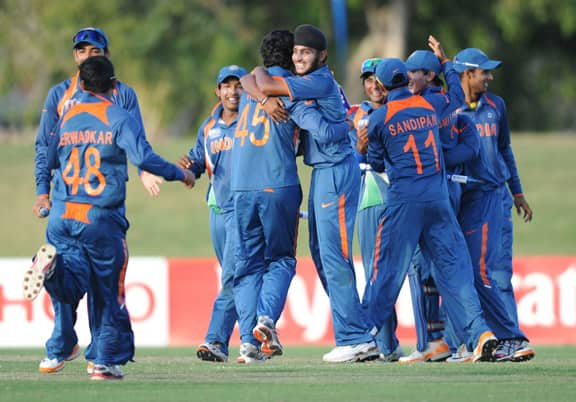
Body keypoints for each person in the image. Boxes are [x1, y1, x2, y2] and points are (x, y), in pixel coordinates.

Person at [23, 56, 196, 380]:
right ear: (114, 85)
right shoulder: (119, 116)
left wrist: (43, 192)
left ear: (82, 84)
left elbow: (46, 155)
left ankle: (52, 268)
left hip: (62, 215)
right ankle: (103, 361)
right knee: (107, 290)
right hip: (99, 217)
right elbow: (143, 157)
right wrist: (179, 172)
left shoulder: (68, 116)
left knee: (72, 281)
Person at [31, 27, 159, 375]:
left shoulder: (123, 94)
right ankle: (81, 349)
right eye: (81, 50)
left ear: (106, 54)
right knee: (98, 279)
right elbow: (45, 147)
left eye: (95, 50)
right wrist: (42, 190)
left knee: (78, 276)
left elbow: (137, 140)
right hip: (70, 200)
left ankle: (70, 346)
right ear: (75, 56)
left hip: (102, 204)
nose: (88, 55)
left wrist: (146, 170)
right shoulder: (59, 94)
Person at [252, 24, 379, 363]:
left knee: (334, 254)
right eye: (295, 53)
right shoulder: (309, 81)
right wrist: (267, 99)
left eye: (305, 53)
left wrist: (289, 107)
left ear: (321, 56)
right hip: (324, 173)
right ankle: (359, 328)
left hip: (336, 171)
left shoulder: (318, 80)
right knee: (321, 253)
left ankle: (356, 337)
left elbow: (323, 130)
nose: (299, 58)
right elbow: (254, 79)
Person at [362, 57, 499, 363]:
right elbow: (453, 99)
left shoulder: (379, 118)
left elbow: (375, 164)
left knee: (386, 271)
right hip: (438, 198)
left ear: (382, 86)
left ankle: (362, 335)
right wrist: (447, 65)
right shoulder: (429, 107)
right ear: (406, 81)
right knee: (456, 270)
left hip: (404, 202)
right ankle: (480, 334)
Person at [232, 29, 352, 363]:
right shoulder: (294, 90)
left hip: (240, 188)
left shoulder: (248, 90)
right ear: (291, 58)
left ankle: (248, 342)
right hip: (278, 184)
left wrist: (260, 96)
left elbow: (247, 77)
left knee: (246, 268)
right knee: (281, 259)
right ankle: (266, 320)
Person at [399, 38, 480, 363]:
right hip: (448, 188)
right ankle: (449, 341)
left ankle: (434, 343)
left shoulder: (423, 105)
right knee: (440, 266)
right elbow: (459, 93)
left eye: (414, 72)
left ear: (429, 77)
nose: (407, 78)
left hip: (429, 191)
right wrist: (445, 62)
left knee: (424, 267)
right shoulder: (450, 98)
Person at [453, 48, 535, 362]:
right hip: (460, 199)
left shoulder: (495, 105)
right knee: (462, 272)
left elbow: (505, 151)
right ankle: (473, 341)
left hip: (491, 196)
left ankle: (509, 338)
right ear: (466, 75)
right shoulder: (451, 108)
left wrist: (517, 192)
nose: (489, 77)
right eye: (483, 72)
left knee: (489, 272)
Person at [178, 64, 247, 363]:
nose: (233, 91)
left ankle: (216, 340)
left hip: (243, 210)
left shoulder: (254, 121)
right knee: (234, 276)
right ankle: (251, 339)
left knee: (233, 275)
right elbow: (197, 160)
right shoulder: (208, 126)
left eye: (239, 85)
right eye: (227, 86)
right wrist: (186, 168)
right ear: (218, 91)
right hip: (217, 209)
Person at [348, 57, 403, 362]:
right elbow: (348, 158)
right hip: (370, 195)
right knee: (375, 271)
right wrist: (358, 147)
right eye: (367, 80)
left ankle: (434, 340)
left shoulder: (401, 109)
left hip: (403, 195)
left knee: (403, 270)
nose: (373, 85)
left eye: (377, 79)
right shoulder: (355, 114)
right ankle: (385, 342)